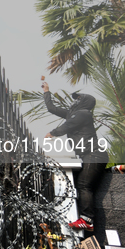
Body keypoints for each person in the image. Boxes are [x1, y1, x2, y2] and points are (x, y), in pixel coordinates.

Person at [42, 82, 108, 232]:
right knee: (81, 184)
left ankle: (87, 220)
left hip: (95, 154)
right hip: (88, 156)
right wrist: (47, 91)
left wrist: (53, 132)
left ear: (84, 102)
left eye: (78, 99)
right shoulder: (72, 113)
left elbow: (69, 125)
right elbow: (52, 109)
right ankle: (84, 218)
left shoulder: (84, 113)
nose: (75, 101)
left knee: (84, 185)